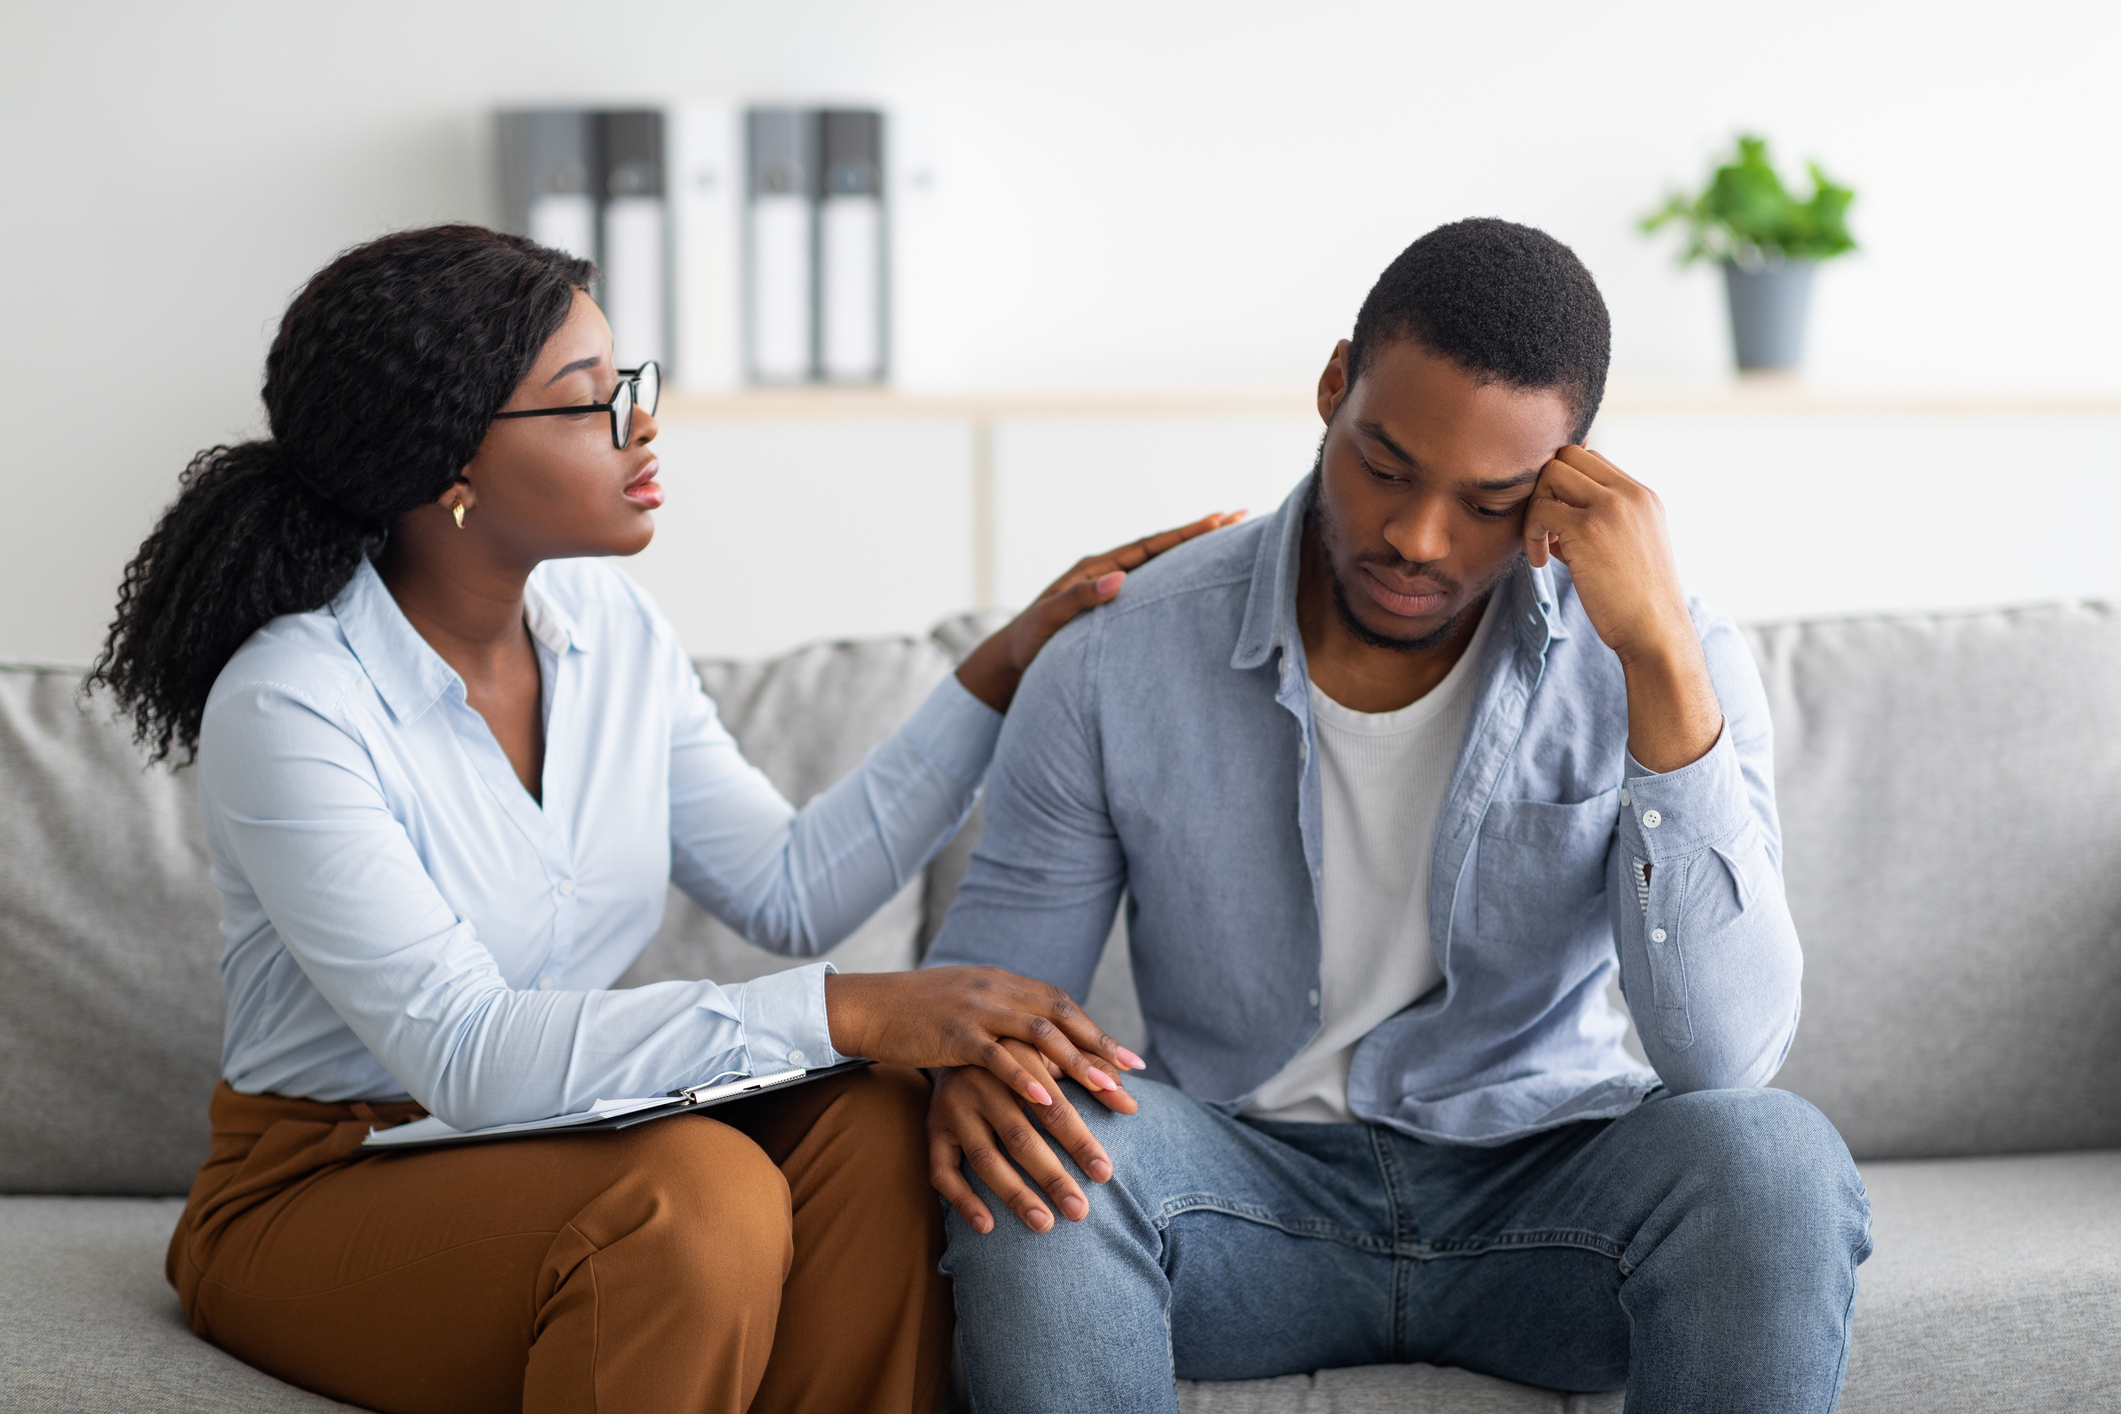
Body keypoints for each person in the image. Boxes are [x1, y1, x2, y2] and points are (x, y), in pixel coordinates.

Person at [90, 223, 1229, 1414]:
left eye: (629, 381)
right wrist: (853, 1007)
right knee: (691, 1196)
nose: (641, 423)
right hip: (322, 1183)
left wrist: (1007, 661)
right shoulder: (293, 700)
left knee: (878, 1127)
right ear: (450, 468)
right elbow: (470, 1055)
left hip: (549, 1148)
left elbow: (792, 887)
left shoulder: (608, 628)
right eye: (588, 403)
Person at [923, 219, 1873, 1412]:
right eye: (1384, 464)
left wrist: (1659, 667)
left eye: (1488, 501)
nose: (1417, 539)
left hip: (1547, 1202)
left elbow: (1724, 1058)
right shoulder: (1117, 659)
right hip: (1238, 1194)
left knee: (1776, 1159)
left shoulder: (1666, 658)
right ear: (1332, 388)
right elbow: (984, 1011)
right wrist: (976, 1067)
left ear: (1570, 481)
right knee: (1038, 1151)